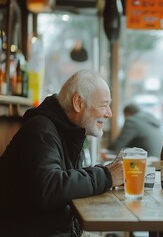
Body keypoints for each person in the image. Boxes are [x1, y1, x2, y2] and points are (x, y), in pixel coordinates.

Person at [0, 69, 123, 237]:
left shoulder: (68, 131)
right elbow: (50, 188)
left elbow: (65, 178)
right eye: (104, 105)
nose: (109, 113)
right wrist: (106, 176)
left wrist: (106, 173)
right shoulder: (41, 131)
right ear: (78, 103)